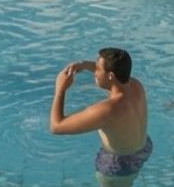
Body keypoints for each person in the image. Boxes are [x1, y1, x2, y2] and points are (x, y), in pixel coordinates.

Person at [49, 47, 150, 187]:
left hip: (119, 165)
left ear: (110, 76)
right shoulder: (136, 85)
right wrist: (84, 65)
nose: (95, 72)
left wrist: (60, 89)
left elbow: (56, 127)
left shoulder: (107, 110)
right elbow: (114, 71)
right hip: (143, 148)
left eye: (97, 69)